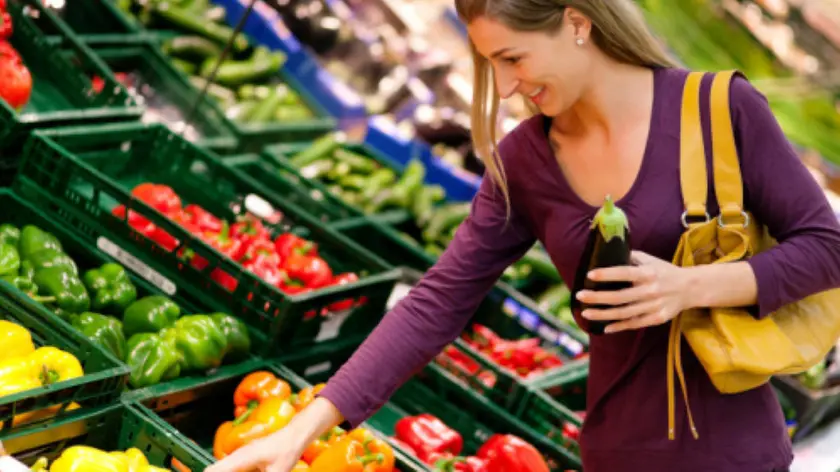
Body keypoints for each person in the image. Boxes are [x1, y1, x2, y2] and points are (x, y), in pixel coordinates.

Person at [207, 0, 840, 471]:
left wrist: (689, 286)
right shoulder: (526, 162)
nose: (506, 85)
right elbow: (437, 301)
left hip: (737, 453)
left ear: (576, 22)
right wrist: (304, 428)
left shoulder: (717, 110)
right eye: (490, 64)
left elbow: (826, 246)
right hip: (616, 451)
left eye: (512, 57)